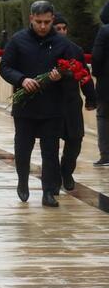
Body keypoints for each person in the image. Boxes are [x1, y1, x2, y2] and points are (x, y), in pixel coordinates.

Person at [0, 0, 74, 207]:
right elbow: (5, 67)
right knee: (23, 149)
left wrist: (62, 75)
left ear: (52, 20)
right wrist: (22, 79)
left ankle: (48, 192)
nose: (43, 26)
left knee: (50, 151)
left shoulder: (62, 43)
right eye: (39, 21)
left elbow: (72, 70)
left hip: (52, 108)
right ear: (31, 18)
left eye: (47, 22)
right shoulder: (18, 40)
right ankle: (23, 180)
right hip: (26, 107)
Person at [52, 14, 96, 189]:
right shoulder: (44, 49)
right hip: (52, 103)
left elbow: (84, 76)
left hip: (71, 103)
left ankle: (67, 171)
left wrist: (91, 98)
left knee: (75, 140)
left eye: (64, 28)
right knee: (51, 144)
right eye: (58, 28)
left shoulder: (75, 50)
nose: (62, 32)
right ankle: (53, 178)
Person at [92, 1, 109, 166]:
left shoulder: (104, 31)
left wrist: (96, 74)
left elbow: (97, 56)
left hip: (106, 83)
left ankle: (106, 155)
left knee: (103, 116)